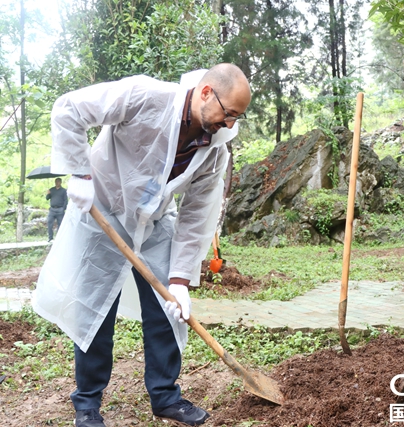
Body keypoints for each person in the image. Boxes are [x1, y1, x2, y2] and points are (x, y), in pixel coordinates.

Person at [32, 64, 251, 427]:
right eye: (228, 114)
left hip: (153, 220)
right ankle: (86, 403)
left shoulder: (216, 148)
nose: (229, 125)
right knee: (95, 309)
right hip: (101, 209)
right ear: (207, 91)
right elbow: (69, 108)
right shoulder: (145, 96)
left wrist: (180, 280)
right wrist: (80, 174)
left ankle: (165, 396)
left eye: (237, 118)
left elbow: (196, 213)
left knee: (169, 308)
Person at [45, 177, 68, 242]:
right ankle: (50, 238)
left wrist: (63, 208)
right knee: (49, 222)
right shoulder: (52, 190)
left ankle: (59, 238)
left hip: (60, 209)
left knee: (60, 224)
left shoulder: (63, 191)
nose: (57, 183)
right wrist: (48, 193)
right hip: (52, 209)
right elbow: (47, 198)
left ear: (60, 182)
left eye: (58, 182)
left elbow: (65, 200)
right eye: (56, 182)